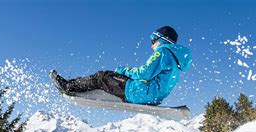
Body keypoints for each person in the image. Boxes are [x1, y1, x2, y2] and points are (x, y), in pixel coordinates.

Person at [50, 26, 192, 105]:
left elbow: (144, 73)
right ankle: (81, 85)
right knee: (109, 78)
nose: (151, 45)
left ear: (161, 39)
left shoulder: (162, 52)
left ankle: (68, 86)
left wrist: (123, 70)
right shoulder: (175, 63)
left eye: (153, 40)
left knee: (102, 76)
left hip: (139, 93)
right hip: (153, 97)